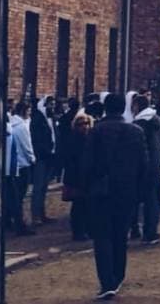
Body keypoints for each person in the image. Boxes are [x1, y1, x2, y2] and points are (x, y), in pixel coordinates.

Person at [83, 91, 149, 300]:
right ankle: (118, 276)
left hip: (101, 190)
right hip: (126, 190)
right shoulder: (136, 132)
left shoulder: (96, 131)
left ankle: (107, 281)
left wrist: (88, 185)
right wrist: (139, 190)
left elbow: (87, 163)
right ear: (123, 108)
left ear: (105, 108)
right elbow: (143, 164)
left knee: (102, 236)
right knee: (120, 234)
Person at [133, 94, 160, 243]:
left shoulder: (141, 123)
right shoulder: (155, 119)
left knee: (145, 200)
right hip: (155, 164)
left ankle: (146, 232)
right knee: (152, 199)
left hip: (144, 166)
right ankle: (150, 230)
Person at [61, 111, 94, 242]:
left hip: (87, 176)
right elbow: (70, 161)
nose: (84, 126)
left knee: (87, 205)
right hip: (76, 177)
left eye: (86, 123)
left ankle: (87, 229)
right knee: (79, 206)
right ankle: (78, 232)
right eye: (81, 124)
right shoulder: (72, 139)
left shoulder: (90, 138)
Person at [6, 102, 35, 235]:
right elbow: (27, 146)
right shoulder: (22, 127)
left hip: (14, 165)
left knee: (14, 195)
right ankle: (20, 225)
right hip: (23, 165)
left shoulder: (12, 124)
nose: (29, 113)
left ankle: (10, 220)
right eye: (28, 111)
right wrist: (32, 159)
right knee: (19, 196)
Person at [29, 96, 56, 226]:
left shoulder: (51, 119)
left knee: (44, 186)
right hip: (41, 157)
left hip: (50, 156)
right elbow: (36, 139)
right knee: (38, 187)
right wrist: (44, 151)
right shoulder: (38, 119)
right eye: (50, 104)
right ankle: (36, 216)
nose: (52, 107)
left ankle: (42, 213)